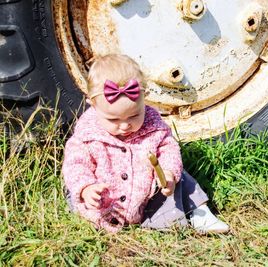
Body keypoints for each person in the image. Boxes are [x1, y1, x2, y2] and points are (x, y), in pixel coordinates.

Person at [62, 54, 229, 234]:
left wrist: (168, 174)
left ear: (144, 100)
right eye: (113, 119)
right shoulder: (86, 135)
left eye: (134, 115)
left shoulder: (153, 126)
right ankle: (98, 216)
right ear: (93, 107)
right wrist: (86, 189)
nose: (125, 125)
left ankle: (200, 213)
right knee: (74, 191)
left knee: (180, 175)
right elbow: (76, 164)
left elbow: (168, 150)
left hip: (147, 199)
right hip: (105, 204)